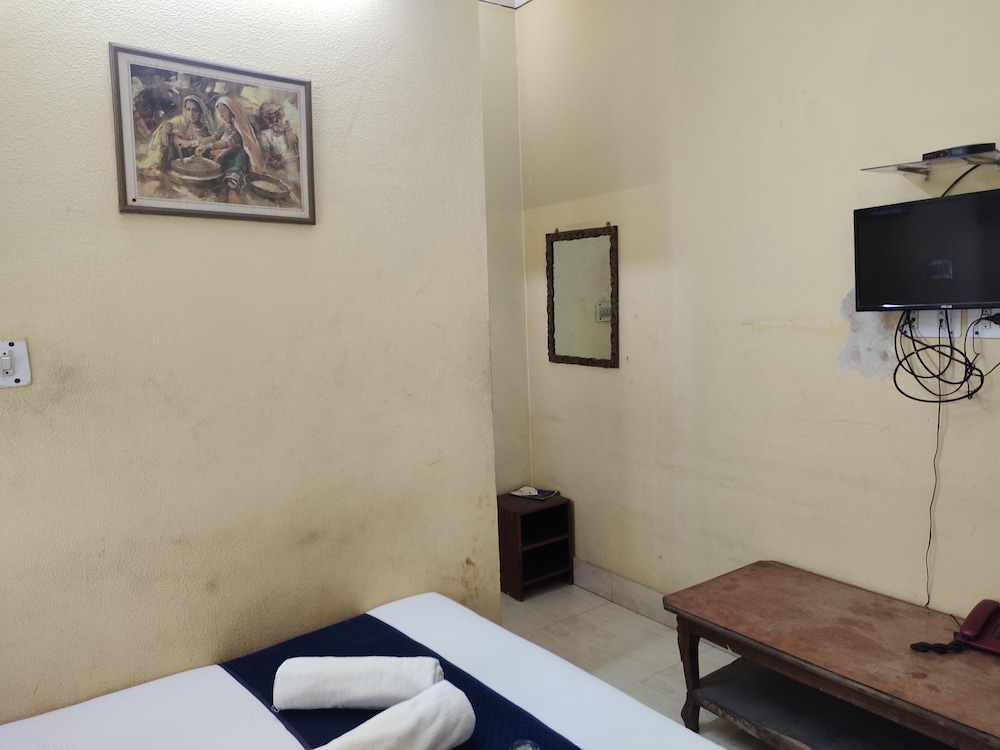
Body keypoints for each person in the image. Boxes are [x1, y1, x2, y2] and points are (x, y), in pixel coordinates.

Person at [194, 96, 266, 200]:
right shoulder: (225, 126)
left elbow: (226, 143)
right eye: (220, 112)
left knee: (238, 159)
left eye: (223, 111)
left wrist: (208, 146)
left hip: (236, 157)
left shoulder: (238, 128)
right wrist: (198, 142)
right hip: (224, 154)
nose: (221, 115)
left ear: (232, 111)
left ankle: (232, 187)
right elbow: (214, 137)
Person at [137, 95, 215, 172]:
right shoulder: (183, 123)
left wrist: (189, 143)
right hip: (180, 165)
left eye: (195, 110)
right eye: (188, 109)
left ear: (201, 111)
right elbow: (169, 124)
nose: (191, 113)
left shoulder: (205, 130)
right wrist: (165, 133)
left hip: (199, 168)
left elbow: (211, 142)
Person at [258, 100, 299, 175]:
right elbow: (267, 158)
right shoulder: (264, 135)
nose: (277, 119)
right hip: (281, 171)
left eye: (278, 114)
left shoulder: (288, 130)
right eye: (272, 115)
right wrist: (274, 162)